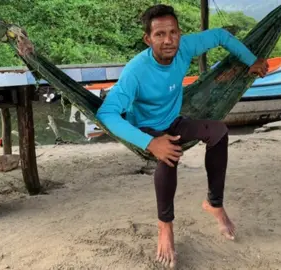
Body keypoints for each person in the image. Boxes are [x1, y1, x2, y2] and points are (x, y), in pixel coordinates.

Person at [97, 4, 268, 268]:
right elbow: (107, 114)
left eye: (173, 32)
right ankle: (165, 226)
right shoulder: (135, 72)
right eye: (159, 34)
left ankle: (214, 204)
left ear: (179, 33)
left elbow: (222, 36)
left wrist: (251, 60)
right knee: (170, 154)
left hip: (174, 120)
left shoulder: (184, 47)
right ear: (148, 39)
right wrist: (150, 142)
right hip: (145, 128)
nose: (168, 40)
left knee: (219, 132)